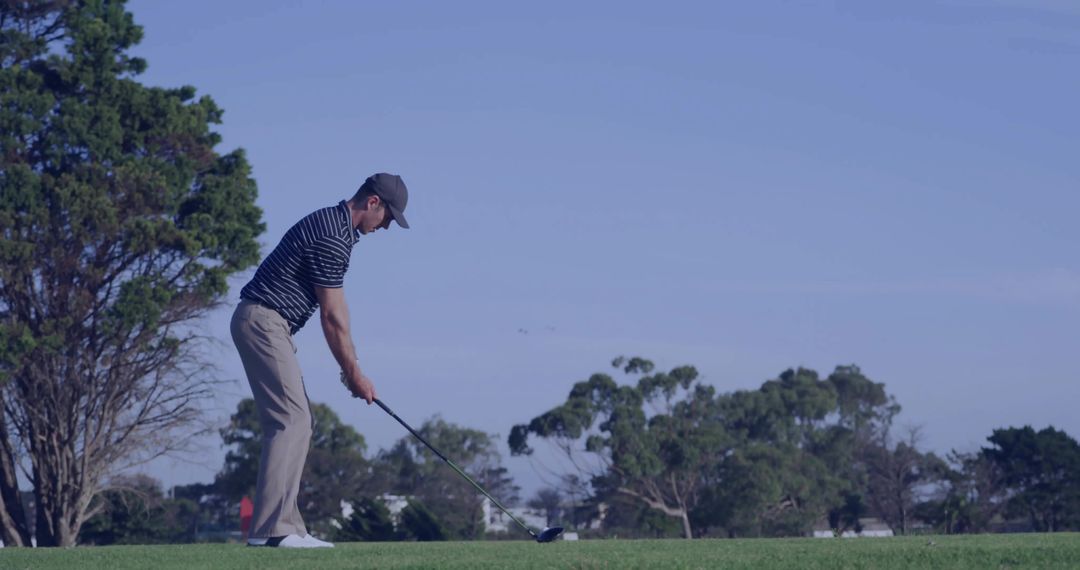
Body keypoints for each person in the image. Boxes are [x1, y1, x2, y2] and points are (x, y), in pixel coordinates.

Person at [230, 173, 409, 548]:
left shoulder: (337, 228)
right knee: (291, 420)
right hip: (265, 321)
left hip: (266, 322)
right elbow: (331, 318)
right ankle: (274, 531)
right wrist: (355, 374)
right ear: (373, 202)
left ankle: (285, 528)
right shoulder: (332, 235)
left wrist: (352, 370)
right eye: (388, 217)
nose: (387, 226)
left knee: (297, 420)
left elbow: (338, 309)